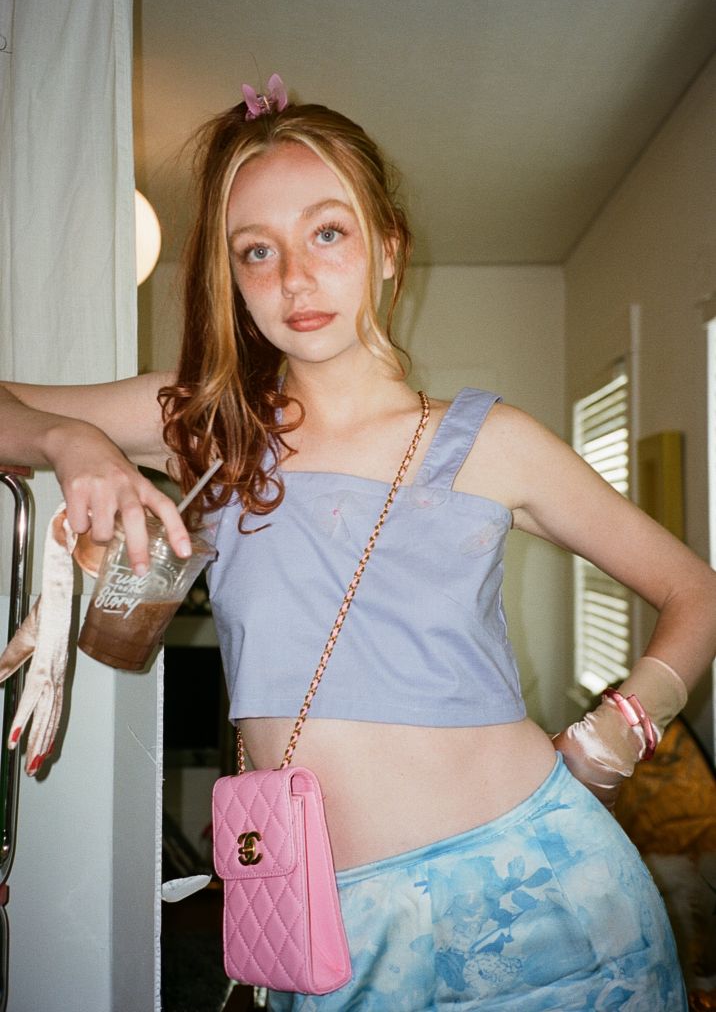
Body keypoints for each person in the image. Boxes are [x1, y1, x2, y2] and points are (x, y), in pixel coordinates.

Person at [1, 77, 714, 1011]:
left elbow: (694, 588)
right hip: (322, 922)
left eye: (328, 234)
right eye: (258, 251)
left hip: (539, 893)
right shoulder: (212, 427)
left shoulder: (492, 441)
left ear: (388, 248)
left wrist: (616, 735)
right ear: (232, 277)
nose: (295, 278)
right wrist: (73, 442)